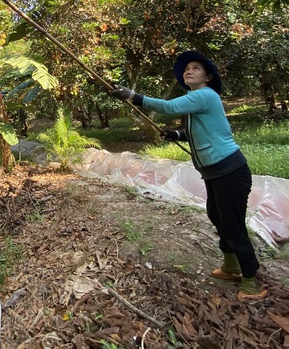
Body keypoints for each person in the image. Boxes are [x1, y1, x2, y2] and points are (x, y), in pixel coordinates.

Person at [110, 51, 267, 302]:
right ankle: (231, 266)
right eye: (187, 69)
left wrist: (133, 96)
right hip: (215, 172)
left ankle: (251, 281)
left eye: (196, 68)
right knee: (217, 216)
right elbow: (202, 130)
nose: (189, 71)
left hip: (230, 170)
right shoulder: (196, 99)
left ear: (207, 76)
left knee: (233, 225)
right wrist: (177, 135)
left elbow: (168, 107)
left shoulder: (205, 94)